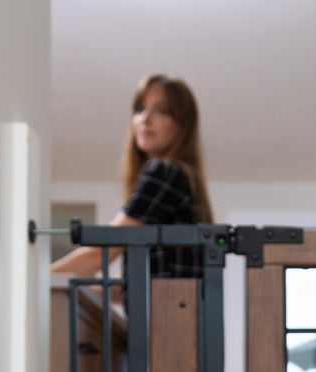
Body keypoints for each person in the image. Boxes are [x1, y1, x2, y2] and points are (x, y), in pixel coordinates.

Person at [51, 73, 213, 284]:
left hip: (171, 312)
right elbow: (129, 283)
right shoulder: (181, 178)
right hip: (177, 311)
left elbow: (106, 250)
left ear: (182, 125)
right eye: (139, 108)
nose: (144, 119)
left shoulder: (165, 172)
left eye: (161, 111)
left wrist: (39, 278)